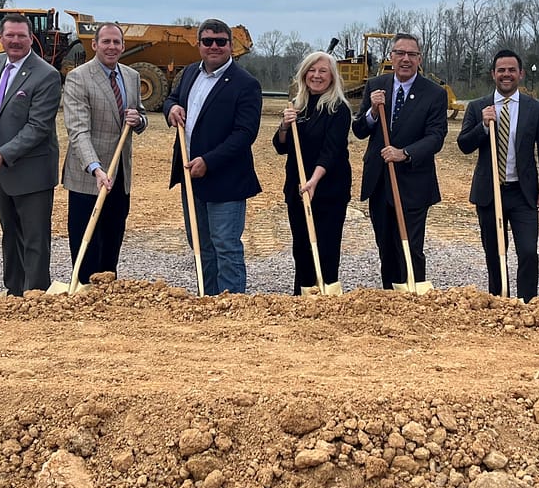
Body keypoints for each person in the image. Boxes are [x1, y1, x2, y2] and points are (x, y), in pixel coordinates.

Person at [166, 18, 262, 294]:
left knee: (225, 246)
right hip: (190, 176)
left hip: (225, 180)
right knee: (200, 244)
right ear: (199, 45)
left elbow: (245, 134)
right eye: (208, 41)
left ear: (231, 46)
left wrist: (209, 161)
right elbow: (172, 99)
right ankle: (207, 300)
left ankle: (230, 306)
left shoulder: (246, 84)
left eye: (221, 41)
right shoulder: (189, 74)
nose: (214, 46)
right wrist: (171, 109)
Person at [456, 48, 539, 300]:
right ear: (493, 74)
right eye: (501, 70)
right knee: (495, 252)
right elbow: (464, 145)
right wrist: (482, 126)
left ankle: (527, 302)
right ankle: (500, 300)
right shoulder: (479, 107)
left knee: (528, 252)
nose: (506, 74)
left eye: (512, 70)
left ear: (520, 74)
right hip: (490, 193)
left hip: (523, 195)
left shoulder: (535, 109)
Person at [351, 33, 448, 289]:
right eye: (400, 53)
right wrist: (372, 112)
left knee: (410, 246)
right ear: (391, 57)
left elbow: (436, 137)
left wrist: (404, 153)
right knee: (385, 246)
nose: (405, 59)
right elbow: (359, 130)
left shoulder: (434, 93)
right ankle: (391, 295)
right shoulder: (376, 86)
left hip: (414, 182)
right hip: (380, 181)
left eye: (411, 54)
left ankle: (413, 294)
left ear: (420, 59)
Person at [0, 13, 62, 295]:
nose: (15, 41)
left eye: (21, 36)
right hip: (0, 171)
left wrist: (1, 155)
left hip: (31, 171)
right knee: (10, 235)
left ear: (30, 39)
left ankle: (35, 293)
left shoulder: (46, 75)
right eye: (10, 35)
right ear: (1, 38)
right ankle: (13, 291)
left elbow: (38, 127)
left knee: (34, 238)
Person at [61, 22, 148, 284]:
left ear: (123, 46)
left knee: (112, 238)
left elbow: (141, 116)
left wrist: (139, 120)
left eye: (116, 42)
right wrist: (95, 168)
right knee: (86, 241)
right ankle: (84, 291)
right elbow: (78, 131)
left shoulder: (131, 76)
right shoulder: (79, 77)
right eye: (106, 42)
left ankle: (107, 291)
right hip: (88, 176)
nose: (112, 47)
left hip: (120, 175)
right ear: (94, 45)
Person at [272, 50, 352, 294]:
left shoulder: (339, 109)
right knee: (302, 245)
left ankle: (326, 290)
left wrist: (314, 180)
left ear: (332, 77)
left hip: (328, 187)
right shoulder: (297, 106)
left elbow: (331, 150)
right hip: (298, 186)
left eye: (323, 71)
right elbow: (281, 147)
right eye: (312, 70)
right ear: (304, 74)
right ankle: (304, 292)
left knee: (326, 243)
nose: (316, 76)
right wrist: (284, 126)